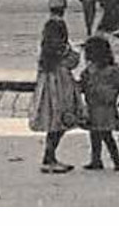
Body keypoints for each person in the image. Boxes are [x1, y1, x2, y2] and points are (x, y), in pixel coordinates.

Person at [28, 12, 82, 173]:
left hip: (48, 90)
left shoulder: (46, 51)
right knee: (60, 123)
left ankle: (50, 157)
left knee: (54, 124)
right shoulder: (63, 50)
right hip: (61, 88)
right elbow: (73, 61)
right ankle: (49, 157)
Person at [79, 34, 119, 171]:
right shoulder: (110, 69)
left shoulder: (108, 71)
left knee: (105, 135)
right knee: (96, 135)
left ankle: (116, 160)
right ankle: (97, 159)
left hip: (103, 107)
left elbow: (118, 85)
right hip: (97, 106)